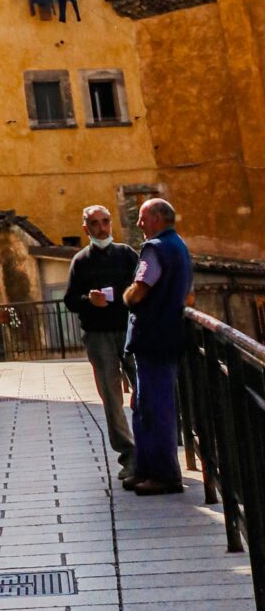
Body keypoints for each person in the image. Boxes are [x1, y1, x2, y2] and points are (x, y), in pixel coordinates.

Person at [122, 197, 194, 496]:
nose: (139, 223)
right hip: (167, 334)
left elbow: (140, 290)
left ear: (157, 218)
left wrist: (126, 297)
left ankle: (163, 474)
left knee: (154, 408)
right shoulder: (179, 246)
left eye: (143, 217)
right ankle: (147, 469)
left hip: (153, 336)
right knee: (147, 405)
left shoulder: (155, 248)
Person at [65, 203, 138, 478]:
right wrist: (89, 300)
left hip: (129, 330)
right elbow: (70, 300)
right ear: (86, 229)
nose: (102, 228)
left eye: (105, 221)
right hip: (97, 335)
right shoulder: (80, 261)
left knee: (143, 389)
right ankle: (129, 455)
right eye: (95, 223)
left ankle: (150, 448)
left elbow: (143, 286)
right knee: (110, 396)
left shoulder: (126, 254)